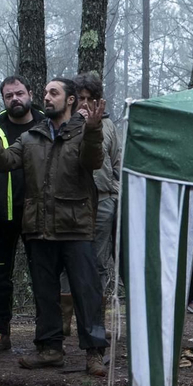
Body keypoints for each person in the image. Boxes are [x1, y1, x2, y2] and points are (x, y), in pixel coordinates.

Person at [0, 78, 107, 375]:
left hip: (75, 226)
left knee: (87, 291)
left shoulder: (84, 131)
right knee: (45, 293)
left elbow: (93, 161)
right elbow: (5, 161)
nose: (46, 97)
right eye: (44, 92)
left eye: (53, 93)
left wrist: (94, 130)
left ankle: (95, 353)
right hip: (39, 227)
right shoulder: (32, 137)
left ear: (70, 100)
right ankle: (49, 349)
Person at [0, 76, 42, 352]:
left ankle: (46, 336)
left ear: (30, 94)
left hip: (38, 216)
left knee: (42, 275)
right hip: (1, 217)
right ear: (3, 99)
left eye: (19, 93)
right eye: (8, 95)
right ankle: (0, 334)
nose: (15, 99)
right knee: (0, 278)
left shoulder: (45, 122)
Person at [73, 72, 122, 277]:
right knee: (73, 260)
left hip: (103, 200)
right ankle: (71, 308)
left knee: (98, 261)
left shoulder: (108, 126)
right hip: (73, 202)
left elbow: (118, 164)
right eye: (81, 98)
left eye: (90, 99)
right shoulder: (65, 125)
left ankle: (97, 307)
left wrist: (116, 197)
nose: (85, 103)